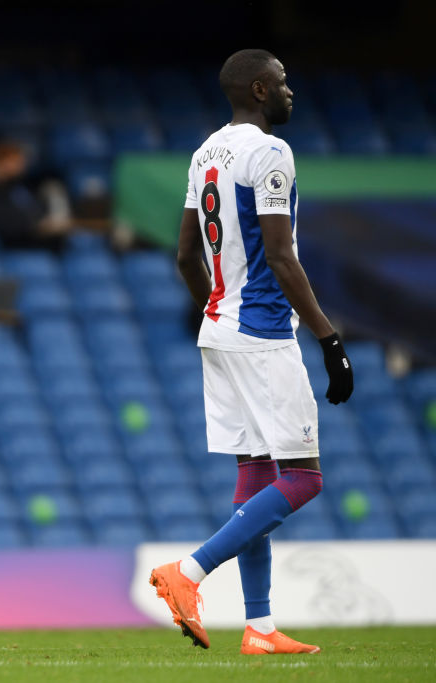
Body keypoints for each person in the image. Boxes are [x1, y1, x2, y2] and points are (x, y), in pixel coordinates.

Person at [149, 49, 354, 655]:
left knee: (256, 473)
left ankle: (259, 627)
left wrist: (216, 308)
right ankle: (188, 571)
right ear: (259, 90)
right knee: (304, 477)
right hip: (262, 333)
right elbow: (282, 256)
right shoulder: (270, 152)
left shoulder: (204, 153)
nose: (291, 91)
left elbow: (186, 256)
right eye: (283, 82)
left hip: (219, 330)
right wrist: (329, 339)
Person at [0, 140, 75, 250]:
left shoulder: (26, 188)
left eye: (18, 160)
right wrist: (35, 227)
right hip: (17, 248)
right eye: (11, 161)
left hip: (43, 244)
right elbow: (3, 226)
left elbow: (37, 211)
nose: (17, 165)